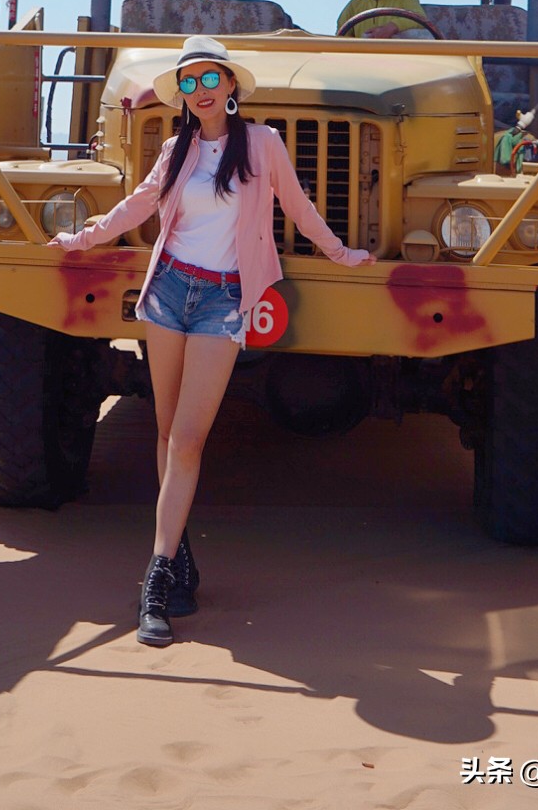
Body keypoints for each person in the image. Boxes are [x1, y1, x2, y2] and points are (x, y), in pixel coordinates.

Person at [50, 35, 374, 647]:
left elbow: (298, 207)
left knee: (192, 439)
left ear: (229, 85)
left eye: (208, 80)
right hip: (169, 293)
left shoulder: (263, 145)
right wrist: (84, 238)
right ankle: (177, 558)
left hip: (224, 302)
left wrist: (340, 252)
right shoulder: (177, 150)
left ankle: (155, 578)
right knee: (167, 433)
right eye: (189, 84)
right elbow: (138, 205)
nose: (199, 92)